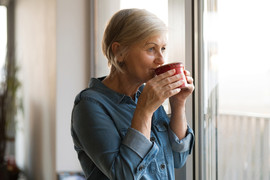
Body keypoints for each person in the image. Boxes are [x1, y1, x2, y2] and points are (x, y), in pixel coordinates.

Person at [71, 8, 194, 180]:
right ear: (119, 52)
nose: (161, 60)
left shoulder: (146, 95)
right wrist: (144, 111)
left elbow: (178, 158)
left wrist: (178, 103)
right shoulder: (89, 106)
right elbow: (124, 175)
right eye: (151, 49)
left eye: (163, 49)